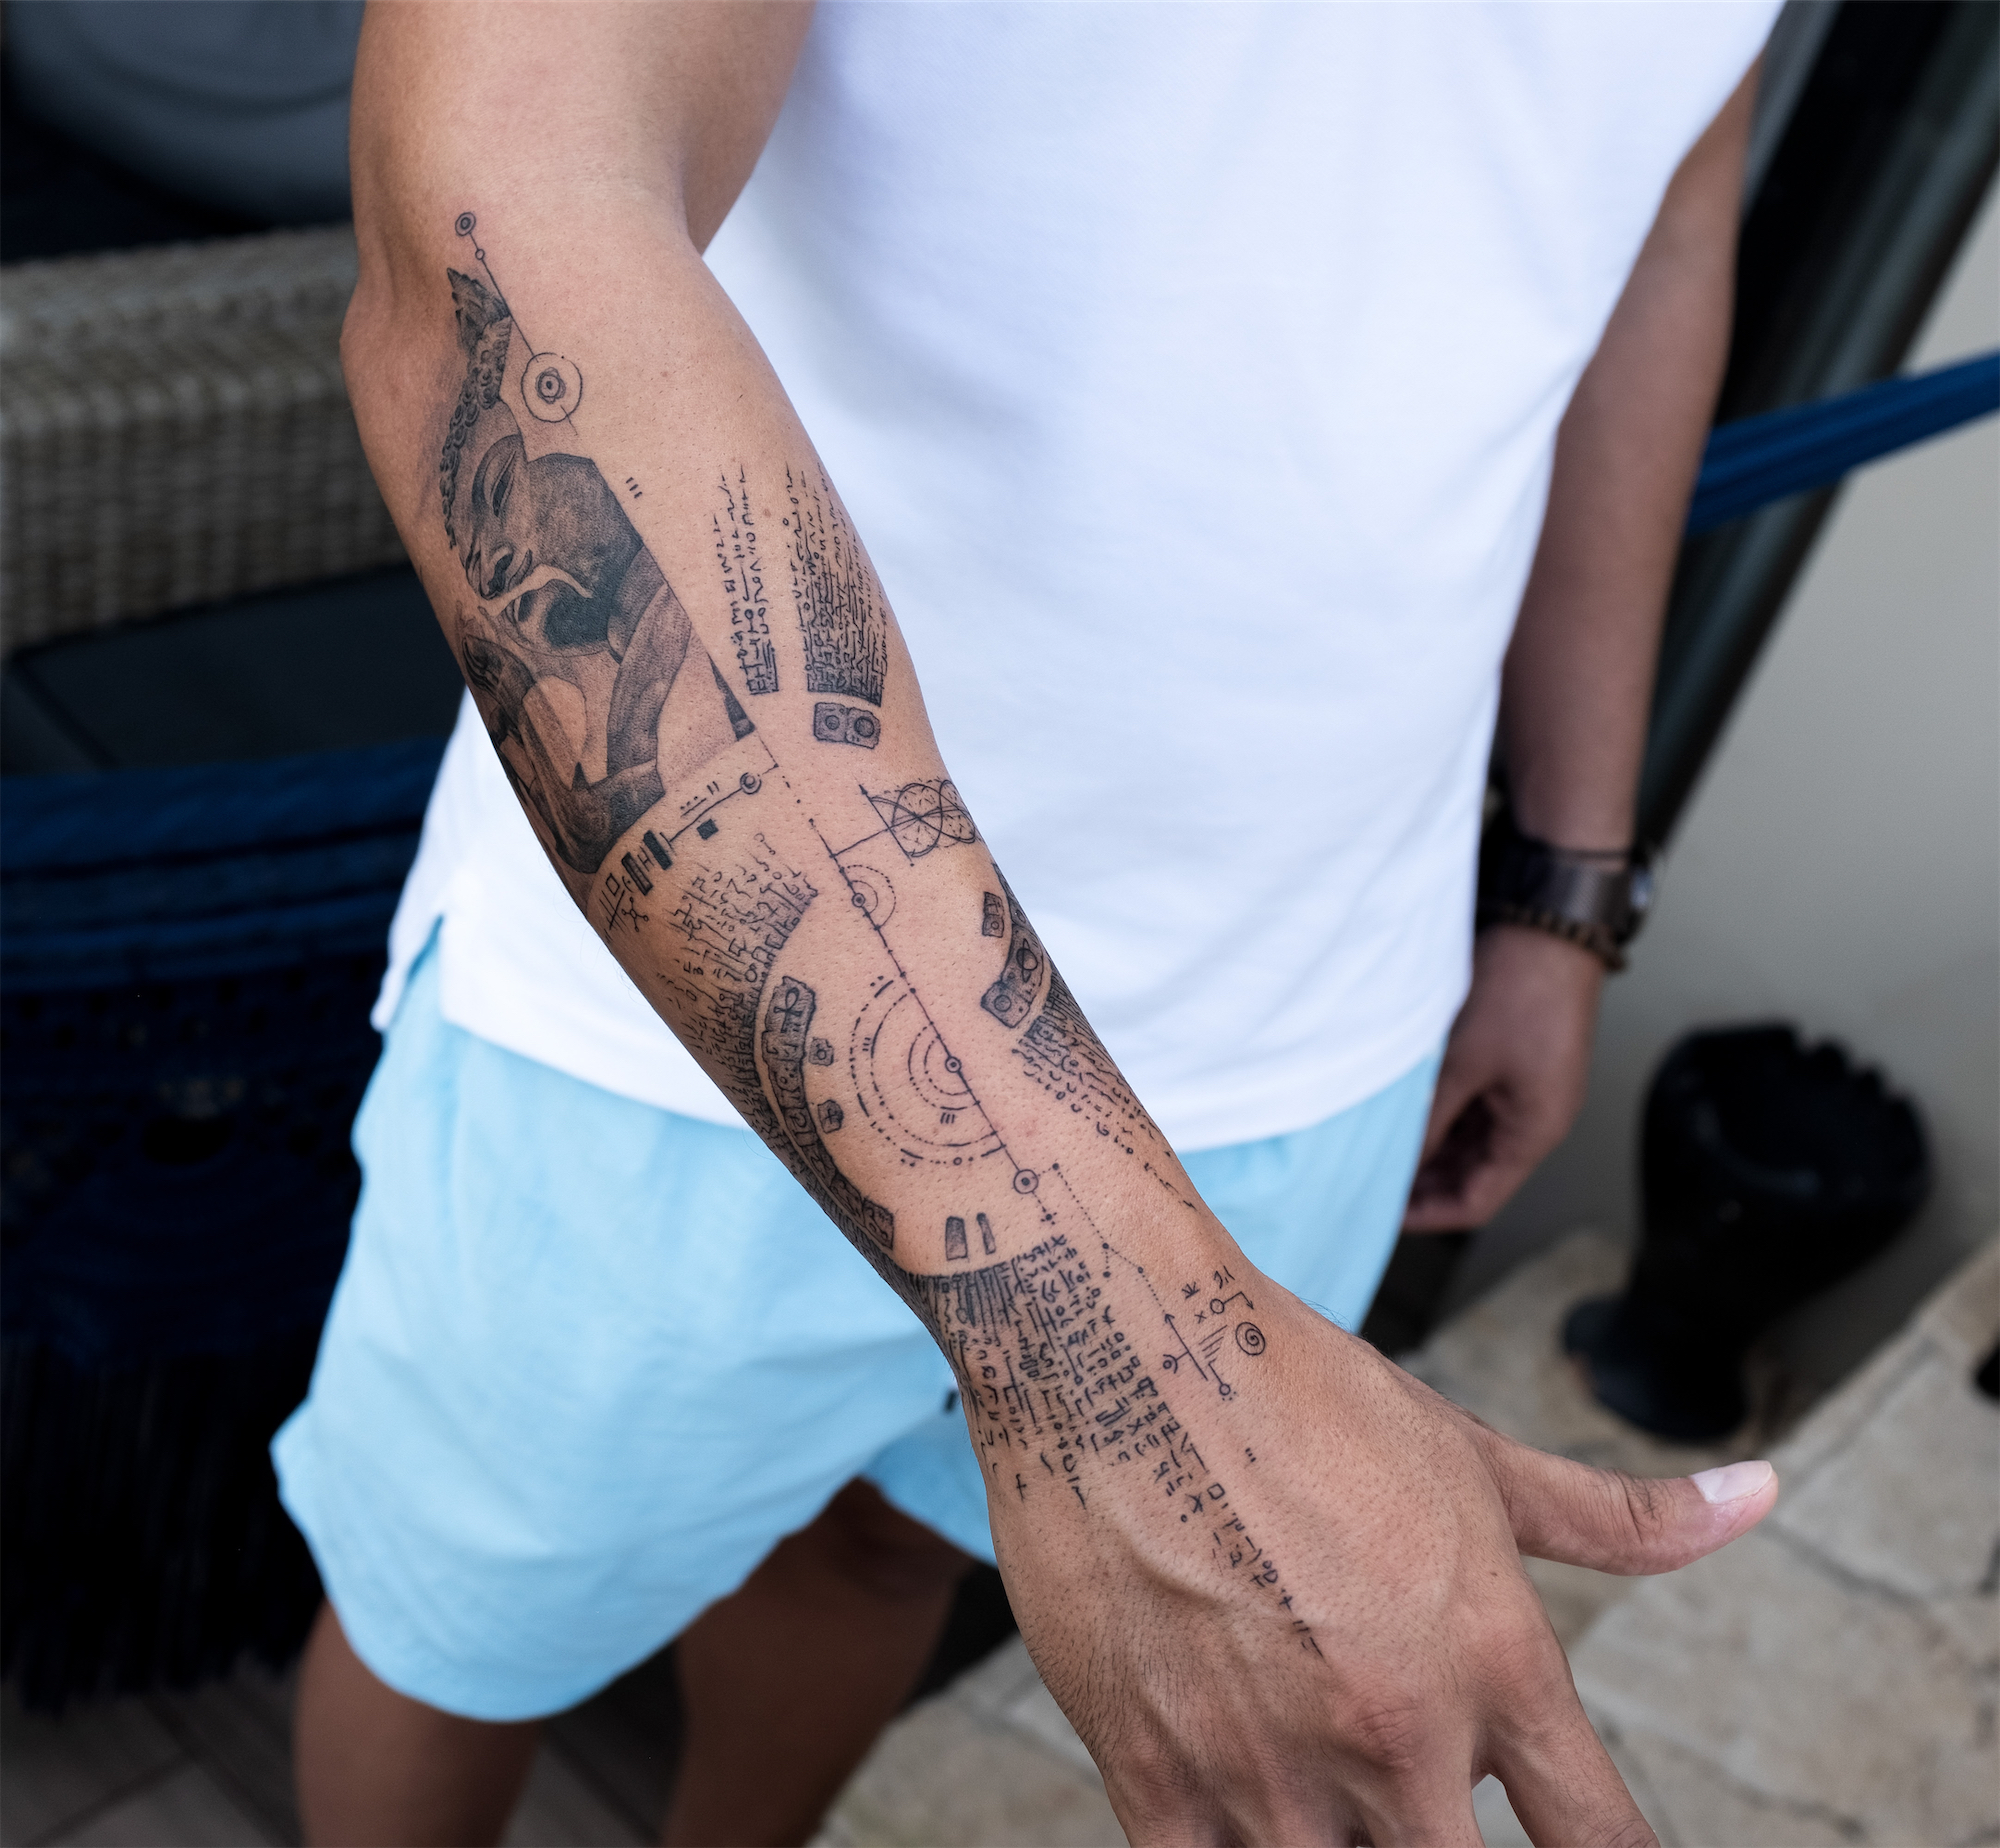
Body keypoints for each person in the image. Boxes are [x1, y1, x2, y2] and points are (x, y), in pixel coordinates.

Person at [274, 5, 1784, 1842]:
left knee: (881, 1557)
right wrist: (1120, 1348)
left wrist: (1564, 879)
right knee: (456, 1637)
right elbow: (496, 222)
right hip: (689, 1022)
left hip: (1306, 1010)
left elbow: (1656, 219)